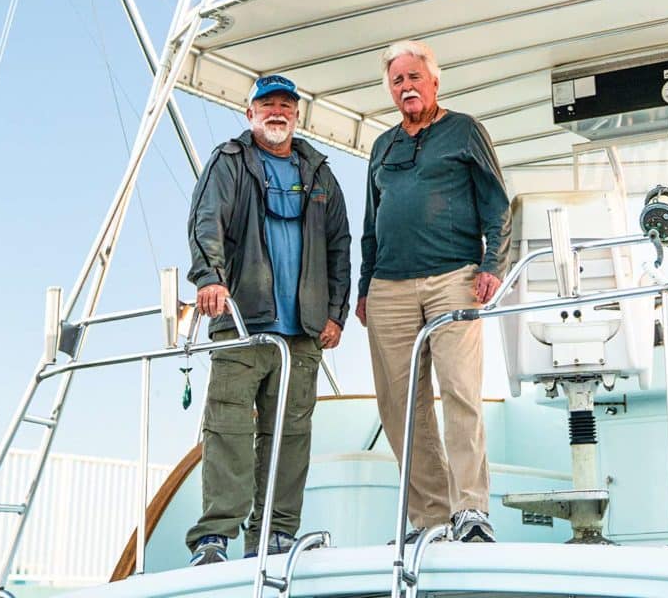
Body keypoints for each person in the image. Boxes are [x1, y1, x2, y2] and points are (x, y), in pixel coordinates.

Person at [185, 74, 351, 566]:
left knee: (292, 434)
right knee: (228, 428)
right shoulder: (229, 161)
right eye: (267, 105)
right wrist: (208, 278)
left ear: (297, 115)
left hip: (303, 330)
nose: (277, 112)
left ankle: (276, 536)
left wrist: (336, 313)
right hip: (241, 322)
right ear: (250, 113)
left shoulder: (319, 172)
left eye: (285, 106)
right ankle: (215, 538)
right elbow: (205, 220)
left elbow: (339, 246)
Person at [357, 40, 511, 544]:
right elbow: (370, 226)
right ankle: (431, 518)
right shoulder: (383, 146)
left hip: (454, 279)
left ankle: (471, 511)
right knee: (402, 406)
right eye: (397, 80)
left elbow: (497, 205)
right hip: (388, 287)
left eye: (413, 77)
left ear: (434, 82)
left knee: (461, 393)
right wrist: (364, 289)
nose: (406, 87)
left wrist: (492, 265)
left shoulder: (464, 131)